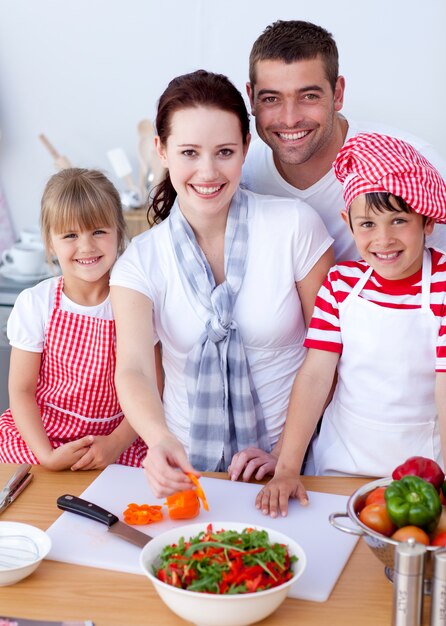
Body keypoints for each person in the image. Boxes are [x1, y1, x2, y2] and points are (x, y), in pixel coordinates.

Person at [109, 69, 334, 497]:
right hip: (188, 469)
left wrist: (285, 457)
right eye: (189, 152)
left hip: (293, 465)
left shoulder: (295, 226)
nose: (208, 172)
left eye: (225, 151)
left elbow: (328, 355)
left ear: (247, 148)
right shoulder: (140, 260)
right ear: (161, 150)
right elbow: (135, 367)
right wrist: (159, 441)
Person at [254, 132, 446, 518]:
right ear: (348, 223)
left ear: (426, 222)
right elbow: (315, 376)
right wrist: (288, 467)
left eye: (399, 220)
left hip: (423, 478)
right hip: (339, 470)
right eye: (368, 224)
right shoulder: (340, 285)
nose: (384, 239)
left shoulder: (442, 286)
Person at [241, 19, 446, 263]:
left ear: (338, 94)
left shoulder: (411, 165)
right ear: (252, 99)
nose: (290, 119)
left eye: (308, 96)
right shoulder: (239, 172)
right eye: (271, 99)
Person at [0, 168, 147, 469]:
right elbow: (21, 390)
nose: (86, 246)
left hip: (118, 438)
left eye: (98, 231)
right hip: (44, 437)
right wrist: (47, 456)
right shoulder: (36, 303)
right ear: (50, 243)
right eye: (70, 235)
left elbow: (152, 386)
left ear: (119, 231)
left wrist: (116, 444)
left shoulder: (136, 302)